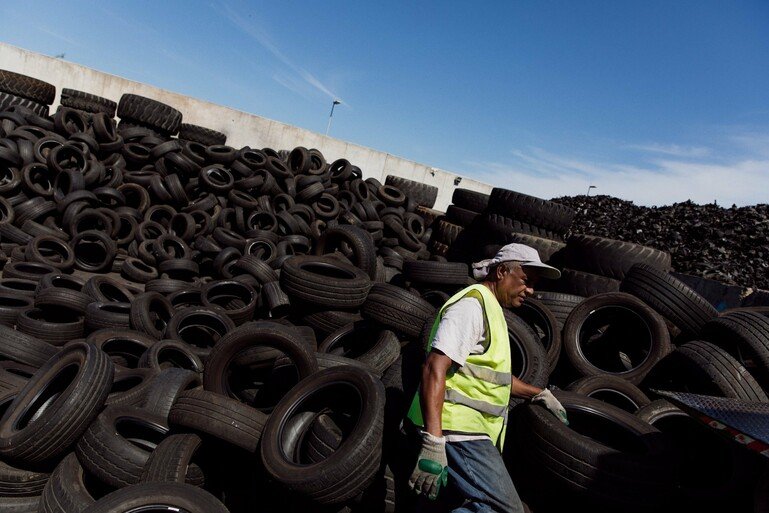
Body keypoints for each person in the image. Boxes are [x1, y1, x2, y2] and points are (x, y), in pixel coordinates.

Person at [405, 243, 569, 513]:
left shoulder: (493, 310)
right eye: (527, 281)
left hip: (469, 431)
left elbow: (492, 377)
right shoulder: (471, 306)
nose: (531, 291)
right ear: (503, 271)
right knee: (506, 509)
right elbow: (435, 367)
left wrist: (537, 393)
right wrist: (433, 442)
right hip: (457, 430)